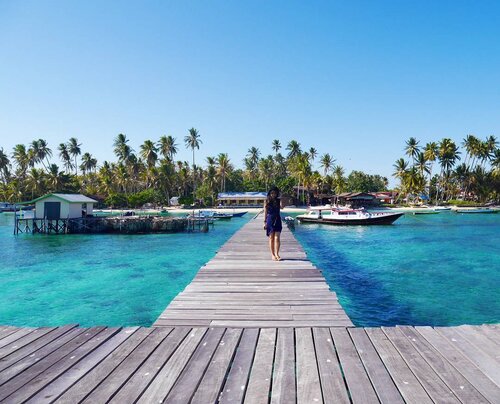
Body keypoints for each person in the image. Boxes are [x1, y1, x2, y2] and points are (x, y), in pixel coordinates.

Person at [263, 186, 283, 261]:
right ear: (269, 193)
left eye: (274, 193)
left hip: (277, 219)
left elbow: (282, 207)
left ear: (276, 193)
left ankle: (277, 254)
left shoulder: (278, 200)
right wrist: (264, 222)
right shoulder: (267, 200)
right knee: (271, 238)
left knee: (277, 237)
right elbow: (265, 211)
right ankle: (272, 254)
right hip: (270, 219)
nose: (273, 194)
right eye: (271, 193)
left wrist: (281, 199)